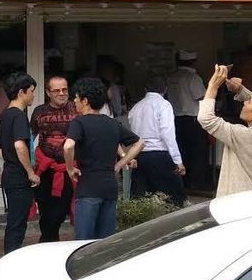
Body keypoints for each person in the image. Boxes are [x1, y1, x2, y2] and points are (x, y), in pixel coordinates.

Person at [64, 78, 144, 241]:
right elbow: (140, 143)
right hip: (110, 188)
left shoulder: (79, 122)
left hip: (87, 188)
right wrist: (120, 163)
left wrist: (69, 168)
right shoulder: (112, 123)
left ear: (85, 101)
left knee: (83, 242)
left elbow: (68, 146)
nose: (74, 100)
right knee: (106, 242)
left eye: (76, 97)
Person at [198, 65, 252, 198]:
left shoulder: (246, 136)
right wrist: (240, 89)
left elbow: (206, 119)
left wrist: (213, 86)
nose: (244, 103)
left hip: (238, 208)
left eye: (249, 102)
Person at [30, 76, 77, 242]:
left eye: (64, 89)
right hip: (44, 170)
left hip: (68, 170)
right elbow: (30, 138)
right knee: (45, 211)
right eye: (57, 90)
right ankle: (48, 242)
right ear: (48, 92)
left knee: (59, 212)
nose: (62, 93)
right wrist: (29, 166)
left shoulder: (76, 109)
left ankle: (48, 242)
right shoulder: (39, 112)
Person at [0, 73, 39, 254]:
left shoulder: (6, 114)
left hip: (10, 173)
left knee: (15, 220)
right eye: (31, 91)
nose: (33, 95)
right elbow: (20, 145)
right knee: (17, 223)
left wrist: (7, 161)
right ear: (21, 92)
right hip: (19, 176)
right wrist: (30, 171)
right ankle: (10, 257)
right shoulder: (19, 116)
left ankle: (9, 255)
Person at [128, 75, 186, 207]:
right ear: (165, 89)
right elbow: (168, 134)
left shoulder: (136, 107)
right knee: (173, 198)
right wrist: (178, 161)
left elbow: (131, 133)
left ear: (145, 89)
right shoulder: (164, 105)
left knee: (140, 200)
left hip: (139, 156)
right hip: (159, 155)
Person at [166, 50, 208, 190]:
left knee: (181, 150)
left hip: (176, 120)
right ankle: (197, 183)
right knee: (198, 152)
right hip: (193, 120)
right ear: (193, 62)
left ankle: (182, 181)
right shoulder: (193, 77)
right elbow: (202, 97)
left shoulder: (171, 77)